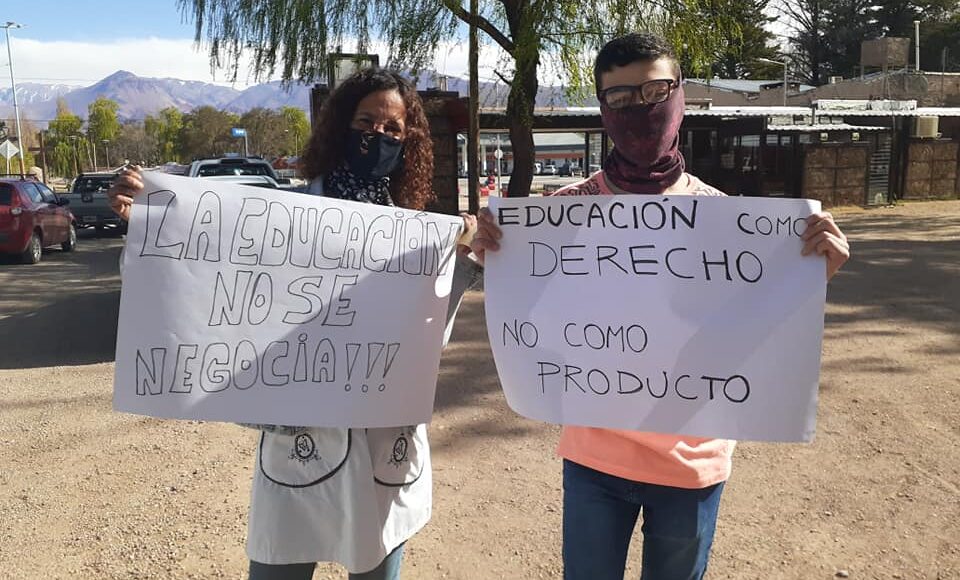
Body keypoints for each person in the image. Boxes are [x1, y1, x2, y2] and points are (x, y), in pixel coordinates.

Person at [470, 33, 850, 580]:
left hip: (691, 464)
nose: (640, 110)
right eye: (621, 98)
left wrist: (812, 276)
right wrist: (499, 257)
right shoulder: (560, 215)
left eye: (654, 92)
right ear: (603, 108)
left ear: (680, 97)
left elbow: (758, 329)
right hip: (594, 459)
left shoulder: (728, 221)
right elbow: (530, 317)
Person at [108, 68, 479, 580]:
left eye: (393, 129)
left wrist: (465, 257)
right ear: (340, 127)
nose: (378, 136)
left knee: (377, 559)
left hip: (383, 439)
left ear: (408, 142)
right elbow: (211, 275)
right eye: (365, 122)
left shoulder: (418, 232)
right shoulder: (286, 216)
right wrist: (152, 223)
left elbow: (428, 339)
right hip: (300, 436)